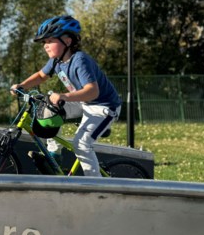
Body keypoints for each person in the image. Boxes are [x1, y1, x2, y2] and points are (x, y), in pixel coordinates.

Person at [11, 15, 121, 177]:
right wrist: (22, 85)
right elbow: (41, 76)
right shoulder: (56, 61)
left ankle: (97, 185)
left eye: (49, 41)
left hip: (104, 106)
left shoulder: (80, 60)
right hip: (84, 103)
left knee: (81, 143)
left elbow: (93, 91)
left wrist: (64, 96)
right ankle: (55, 154)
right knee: (47, 107)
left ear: (67, 41)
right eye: (44, 43)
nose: (45, 46)